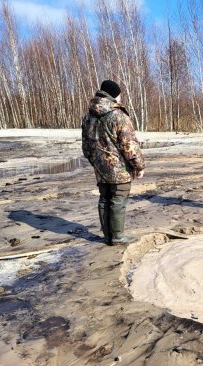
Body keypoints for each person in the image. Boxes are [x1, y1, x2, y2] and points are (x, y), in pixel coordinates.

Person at [81, 80, 145, 245]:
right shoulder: (118, 115)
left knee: (104, 198)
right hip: (118, 168)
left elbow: (86, 147)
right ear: (114, 95)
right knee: (118, 199)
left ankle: (108, 235)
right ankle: (117, 237)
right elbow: (129, 145)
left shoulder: (88, 116)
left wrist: (96, 162)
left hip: (100, 167)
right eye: (119, 94)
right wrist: (139, 166)